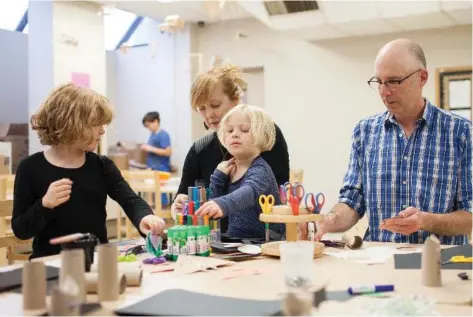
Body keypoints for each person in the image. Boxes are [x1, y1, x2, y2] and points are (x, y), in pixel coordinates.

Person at [308, 39, 472, 245]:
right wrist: (327, 221)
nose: (385, 92)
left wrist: (425, 221)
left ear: (422, 78)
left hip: (440, 261)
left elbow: (470, 217)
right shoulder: (365, 132)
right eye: (379, 82)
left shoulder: (461, 132)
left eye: (394, 81)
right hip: (378, 260)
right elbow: (352, 202)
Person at [12, 83, 166, 259]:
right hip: (50, 265)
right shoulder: (30, 168)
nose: (102, 131)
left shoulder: (101, 165)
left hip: (97, 262)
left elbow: (130, 200)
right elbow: (21, 230)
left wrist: (144, 217)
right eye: (96, 124)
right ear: (71, 123)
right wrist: (44, 205)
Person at [171, 64, 290, 233]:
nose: (209, 114)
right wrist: (180, 205)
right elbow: (184, 195)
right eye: (201, 109)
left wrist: (224, 204)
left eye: (215, 105)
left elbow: (271, 190)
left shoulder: (265, 135)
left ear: (235, 100)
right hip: (221, 239)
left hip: (263, 237)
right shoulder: (199, 150)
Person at [195, 104, 285, 239]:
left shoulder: (260, 169)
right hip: (237, 240)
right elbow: (215, 207)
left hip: (265, 241)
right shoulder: (229, 169)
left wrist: (223, 203)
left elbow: (249, 192)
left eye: (244, 130)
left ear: (262, 135)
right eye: (230, 131)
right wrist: (218, 178)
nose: (235, 134)